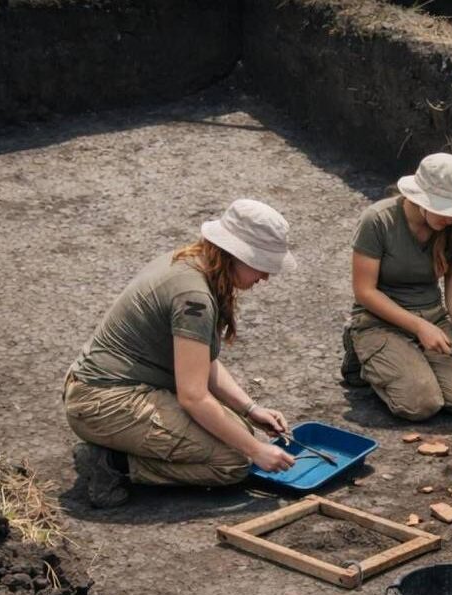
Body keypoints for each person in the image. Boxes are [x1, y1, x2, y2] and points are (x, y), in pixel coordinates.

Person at [64, 200, 298, 508]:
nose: (265, 277)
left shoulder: (195, 264)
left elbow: (203, 361)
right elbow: (193, 396)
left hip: (114, 391)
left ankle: (121, 453)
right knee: (234, 461)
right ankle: (112, 463)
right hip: (104, 403)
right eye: (262, 265)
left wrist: (250, 408)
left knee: (240, 430)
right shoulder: (194, 297)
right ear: (237, 255)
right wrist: (256, 451)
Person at [342, 153, 452, 421]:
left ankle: (408, 362)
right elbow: (364, 291)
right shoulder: (378, 220)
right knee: (422, 403)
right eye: (446, 209)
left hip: (433, 318)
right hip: (381, 321)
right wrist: (419, 327)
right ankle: (364, 356)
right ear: (420, 197)